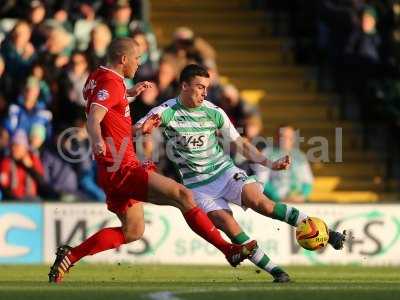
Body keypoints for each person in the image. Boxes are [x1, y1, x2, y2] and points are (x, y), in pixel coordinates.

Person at [48, 38, 256, 283]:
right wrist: (96, 140)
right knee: (184, 196)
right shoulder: (110, 83)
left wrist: (128, 94)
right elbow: (95, 117)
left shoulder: (97, 77)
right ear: (123, 59)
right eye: (137, 59)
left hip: (110, 170)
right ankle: (228, 250)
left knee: (133, 231)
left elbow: (102, 100)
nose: (139, 64)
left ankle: (70, 256)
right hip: (121, 166)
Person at [136, 64, 347, 283]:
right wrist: (145, 128)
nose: (204, 93)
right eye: (199, 87)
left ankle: (329, 233)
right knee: (228, 225)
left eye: (206, 88)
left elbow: (240, 144)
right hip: (198, 187)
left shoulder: (213, 112)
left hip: (225, 172)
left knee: (263, 204)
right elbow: (138, 128)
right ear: (184, 86)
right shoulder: (166, 111)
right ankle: (277, 272)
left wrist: (270, 164)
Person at [262, 126, 314, 203]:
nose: (286, 140)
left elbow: (308, 181)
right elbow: (262, 180)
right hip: (275, 202)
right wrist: (277, 197)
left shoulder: (300, 155)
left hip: (299, 201)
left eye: (289, 137)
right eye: (282, 136)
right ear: (276, 137)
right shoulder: (266, 153)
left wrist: (302, 196)